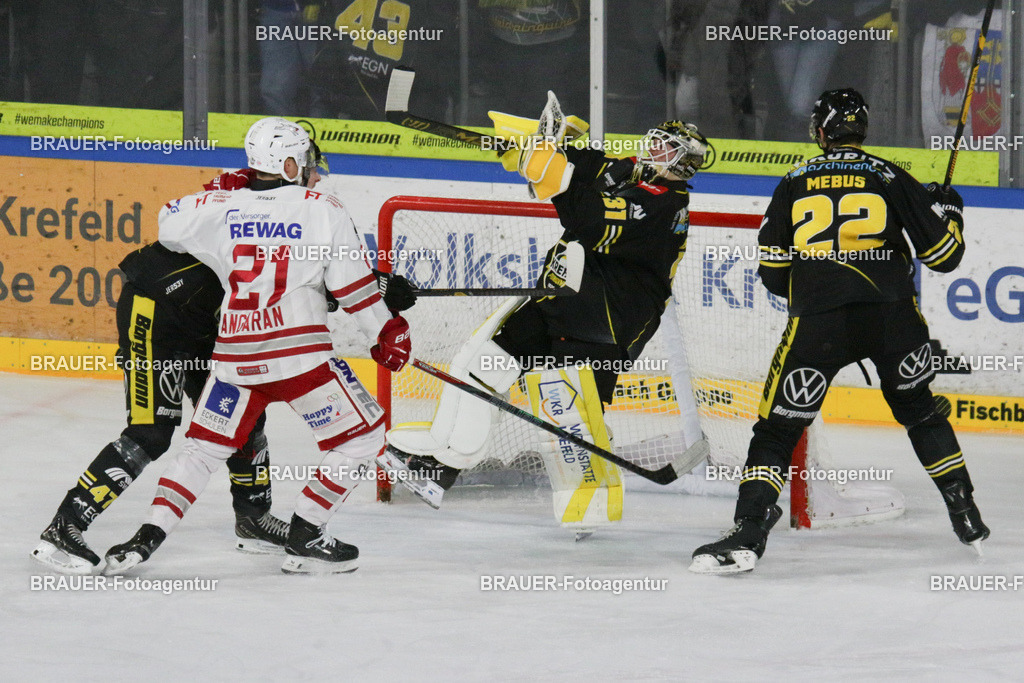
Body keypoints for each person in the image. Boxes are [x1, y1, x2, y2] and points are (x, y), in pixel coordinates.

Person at [689, 88, 988, 574]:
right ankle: (965, 511)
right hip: (894, 320)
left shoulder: (793, 181)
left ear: (821, 131)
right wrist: (949, 210)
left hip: (819, 323)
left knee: (777, 430)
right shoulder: (891, 175)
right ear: (862, 130)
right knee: (920, 411)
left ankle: (748, 532)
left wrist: (816, 289)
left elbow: (771, 273)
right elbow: (945, 257)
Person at [102, 117, 411, 575]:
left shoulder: (225, 205)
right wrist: (385, 332)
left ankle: (145, 538)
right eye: (305, 160)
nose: (312, 168)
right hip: (298, 359)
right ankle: (307, 531)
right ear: (289, 164)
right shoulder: (322, 207)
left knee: (202, 451)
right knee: (363, 437)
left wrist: (221, 192)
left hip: (235, 359)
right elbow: (352, 290)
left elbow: (168, 221)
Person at [382, 114, 710, 511]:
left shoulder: (662, 206)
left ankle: (590, 508)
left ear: (682, 164)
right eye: (653, 140)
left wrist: (549, 169)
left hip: (601, 328)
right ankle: (442, 465)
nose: (651, 149)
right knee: (484, 364)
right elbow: (586, 165)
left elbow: (587, 219)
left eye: (664, 147)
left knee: (569, 419)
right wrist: (542, 151)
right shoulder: (632, 172)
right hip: (558, 304)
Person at [30, 169, 296, 575]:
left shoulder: (294, 208)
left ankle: (254, 520)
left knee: (243, 416)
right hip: (153, 312)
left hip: (203, 323)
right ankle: (65, 527)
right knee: (151, 431)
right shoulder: (246, 196)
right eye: (308, 167)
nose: (314, 177)